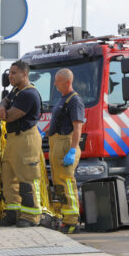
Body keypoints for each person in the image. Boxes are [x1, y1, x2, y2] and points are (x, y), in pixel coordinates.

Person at [0, 60, 43, 228]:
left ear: (24, 74)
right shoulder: (15, 91)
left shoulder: (29, 94)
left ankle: (31, 216)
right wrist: (1, 106)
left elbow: (11, 116)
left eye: (14, 73)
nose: (10, 76)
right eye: (9, 73)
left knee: (27, 178)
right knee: (9, 177)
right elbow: (5, 102)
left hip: (25, 139)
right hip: (13, 139)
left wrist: (1, 112)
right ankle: (13, 213)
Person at [47, 68, 85, 233]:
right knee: (59, 182)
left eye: (57, 81)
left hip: (66, 143)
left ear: (67, 82)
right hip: (57, 143)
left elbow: (77, 127)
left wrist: (72, 149)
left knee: (67, 183)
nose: (54, 84)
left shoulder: (74, 100)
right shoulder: (63, 99)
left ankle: (72, 221)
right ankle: (64, 217)